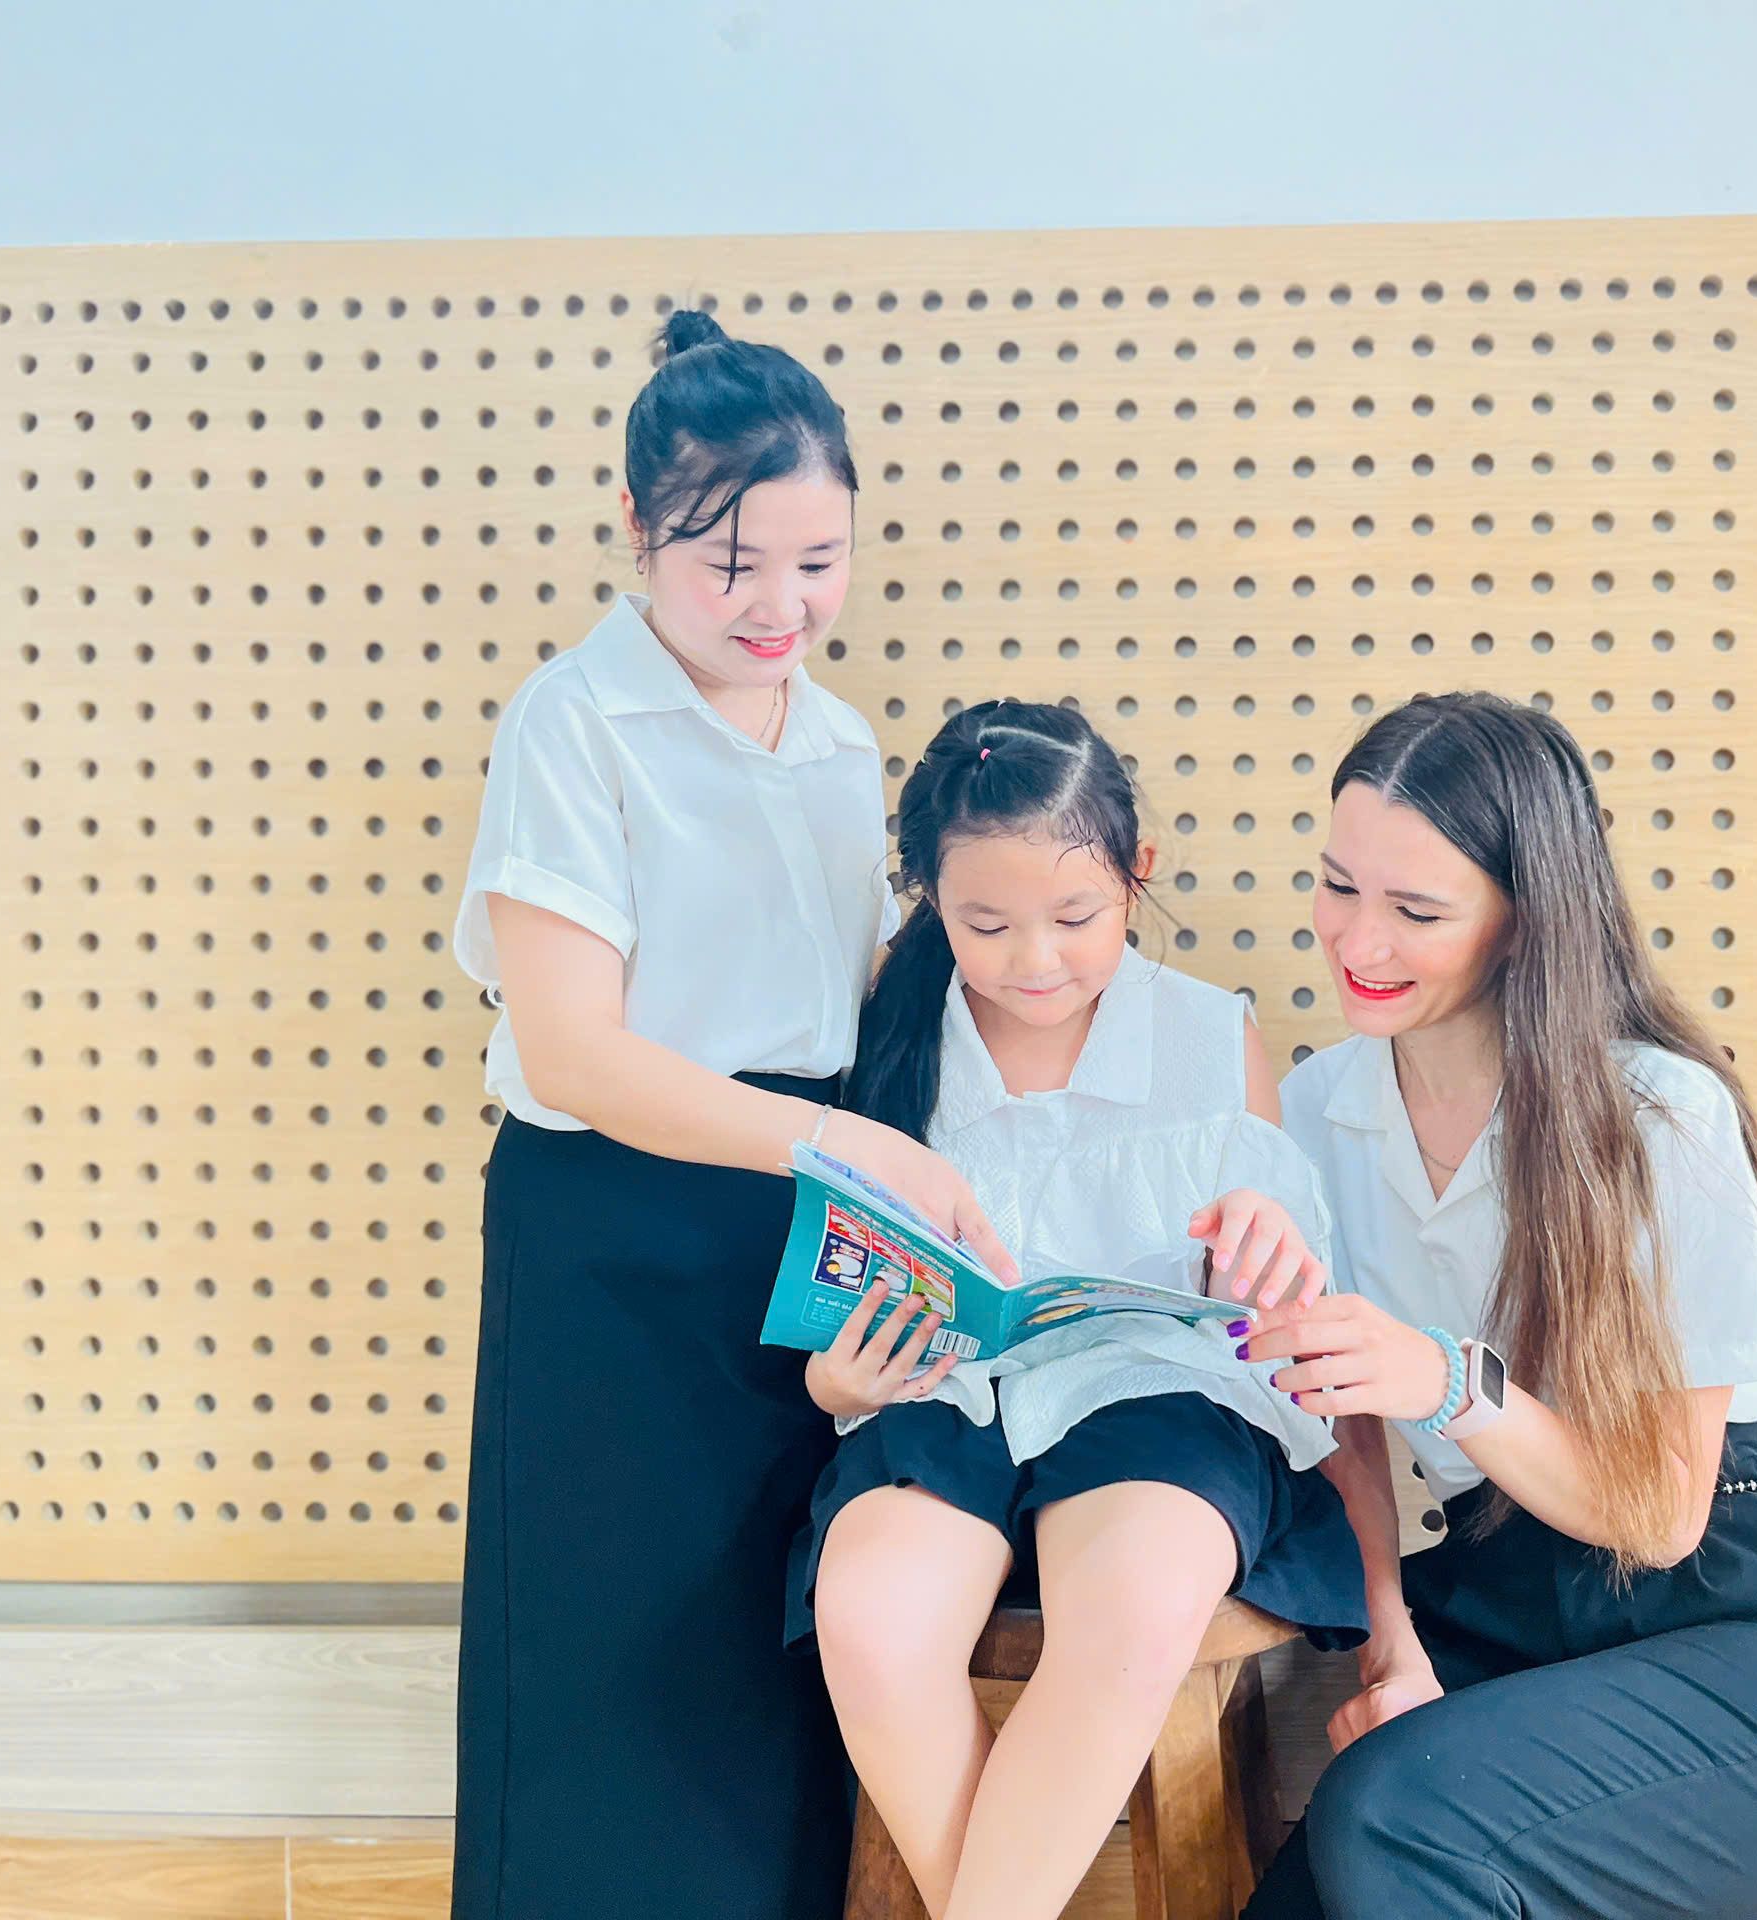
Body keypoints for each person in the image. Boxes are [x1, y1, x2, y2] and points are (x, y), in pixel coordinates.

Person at [447, 309, 1010, 1919]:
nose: (781, 607)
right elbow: (575, 1054)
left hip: (802, 1237)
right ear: (638, 530)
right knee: (601, 1674)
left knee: (769, 1667)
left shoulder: (838, 739)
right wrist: (847, 1147)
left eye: (819, 563)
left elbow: (854, 999)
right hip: (612, 1232)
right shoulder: (575, 719)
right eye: (732, 567)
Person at [1241, 691, 1757, 1920]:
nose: (1357, 941)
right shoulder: (1315, 1109)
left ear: (1523, 919)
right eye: (1336, 886)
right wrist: (1392, 1645)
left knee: (1390, 1822)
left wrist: (1447, 1377)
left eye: (1416, 911)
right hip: (1494, 1599)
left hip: (1748, 1622)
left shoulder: (1657, 1116)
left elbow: (1660, 1516)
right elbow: (1346, 1431)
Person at [789, 699, 1369, 1918]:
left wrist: (1265, 1244)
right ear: (927, 900)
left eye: (1075, 917)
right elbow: (828, 1341)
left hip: (1158, 1400)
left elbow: (1276, 1313)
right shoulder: (887, 1042)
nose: (1034, 960)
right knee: (871, 1620)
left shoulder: (1207, 1032)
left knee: (1135, 1608)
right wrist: (839, 1380)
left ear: (1135, 872)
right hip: (945, 1401)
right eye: (985, 925)